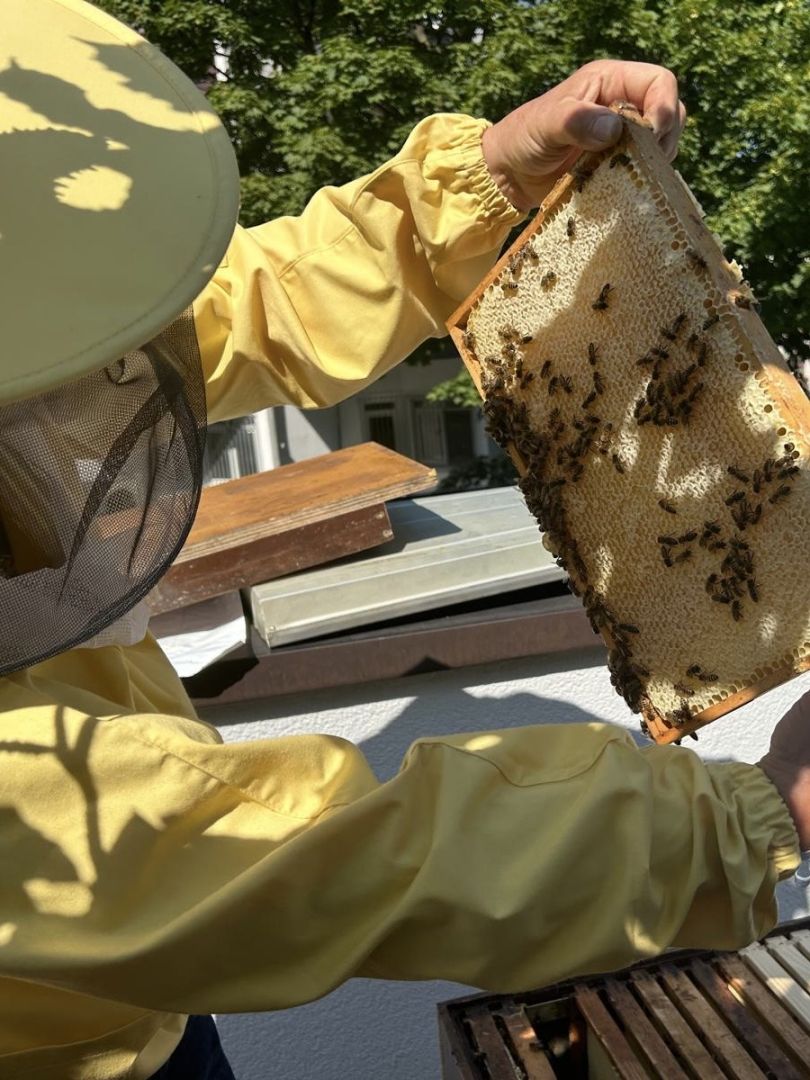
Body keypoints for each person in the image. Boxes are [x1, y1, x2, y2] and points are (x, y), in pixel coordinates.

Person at [0, 1, 807, 1078]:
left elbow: (202, 315)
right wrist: (746, 817)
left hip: (140, 1019)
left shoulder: (43, 342)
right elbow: (304, 859)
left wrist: (479, 185)